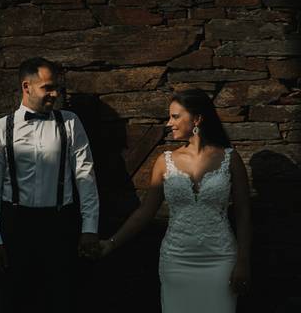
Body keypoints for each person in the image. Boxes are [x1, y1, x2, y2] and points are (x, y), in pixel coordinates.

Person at [100, 88, 252, 313]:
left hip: (221, 259)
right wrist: (110, 243)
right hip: (177, 260)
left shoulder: (230, 159)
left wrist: (243, 261)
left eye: (175, 116)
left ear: (197, 118)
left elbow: (243, 213)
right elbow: (145, 212)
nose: (168, 123)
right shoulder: (165, 161)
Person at [0, 57, 100, 312]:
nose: (55, 94)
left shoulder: (70, 122)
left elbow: (85, 176)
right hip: (15, 225)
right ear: (27, 87)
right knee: (13, 302)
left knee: (60, 301)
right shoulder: (0, 129)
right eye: (47, 87)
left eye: (55, 87)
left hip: (60, 226)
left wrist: (89, 227)